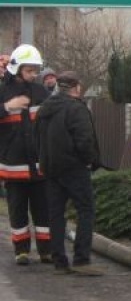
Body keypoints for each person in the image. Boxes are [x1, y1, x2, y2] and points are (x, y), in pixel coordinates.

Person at [36, 71, 103, 275]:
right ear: (76, 87)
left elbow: (36, 138)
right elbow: (84, 140)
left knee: (55, 214)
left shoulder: (45, 109)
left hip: (51, 169)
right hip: (74, 168)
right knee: (86, 210)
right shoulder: (77, 109)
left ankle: (59, 260)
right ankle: (82, 260)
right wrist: (90, 161)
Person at [0, 44, 52, 265]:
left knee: (43, 212)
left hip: (39, 166)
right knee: (17, 211)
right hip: (13, 166)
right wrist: (6, 107)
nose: (33, 75)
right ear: (17, 69)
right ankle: (21, 250)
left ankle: (46, 251)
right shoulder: (3, 93)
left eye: (35, 70)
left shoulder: (41, 93)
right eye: (29, 70)